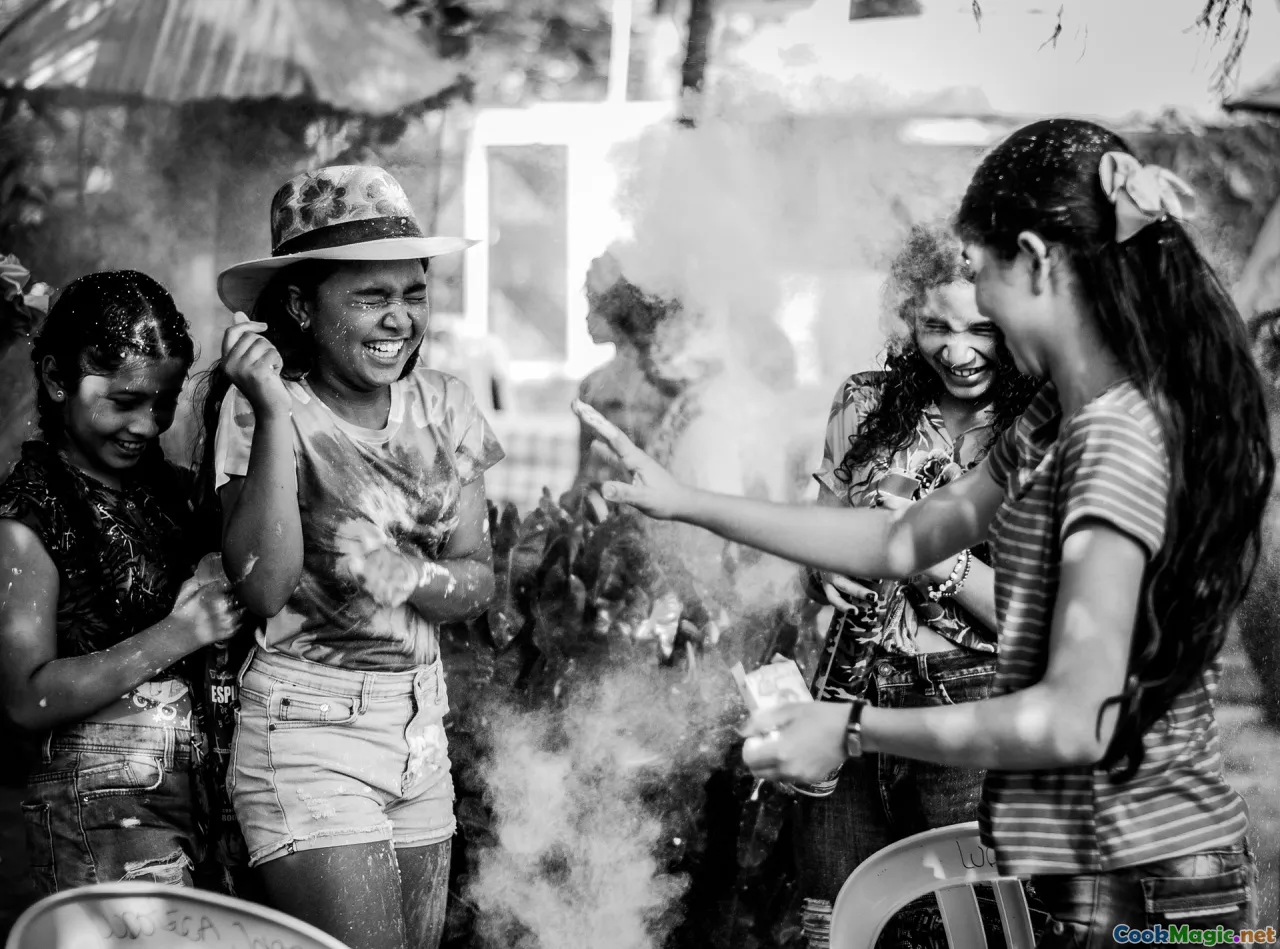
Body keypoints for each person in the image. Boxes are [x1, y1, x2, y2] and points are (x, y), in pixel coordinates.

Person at [573, 118, 1272, 939]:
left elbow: (1076, 718)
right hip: (1072, 856)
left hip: (1149, 873)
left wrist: (852, 729)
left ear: (1038, 261)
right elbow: (898, 542)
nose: (972, 307)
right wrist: (687, 499)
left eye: (980, 276)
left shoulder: (1117, 437)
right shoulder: (1053, 418)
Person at [199, 165, 504, 949]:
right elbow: (263, 588)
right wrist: (269, 410)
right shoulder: (266, 411)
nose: (398, 318)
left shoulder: (447, 406)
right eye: (371, 296)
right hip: (307, 733)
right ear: (301, 304)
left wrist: (413, 575)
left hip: (419, 731)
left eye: (412, 292)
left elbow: (475, 577)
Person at [796, 224, 1039, 948]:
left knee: (973, 931)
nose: (958, 351)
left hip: (973, 711)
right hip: (848, 694)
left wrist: (939, 559)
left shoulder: (1042, 426)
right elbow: (822, 533)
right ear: (907, 317)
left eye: (982, 329)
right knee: (837, 922)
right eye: (936, 325)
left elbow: (1046, 620)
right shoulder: (863, 402)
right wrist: (820, 564)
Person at [0, 270, 242, 894]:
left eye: (162, 402)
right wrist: (181, 633)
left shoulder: (168, 492)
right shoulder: (29, 515)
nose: (149, 425)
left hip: (194, 797)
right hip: (99, 809)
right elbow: (28, 698)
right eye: (125, 401)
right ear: (57, 380)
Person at [572, 250, 676, 490]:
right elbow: (585, 473)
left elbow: (583, 475)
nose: (587, 317)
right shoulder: (593, 386)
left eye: (594, 304)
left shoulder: (597, 387)